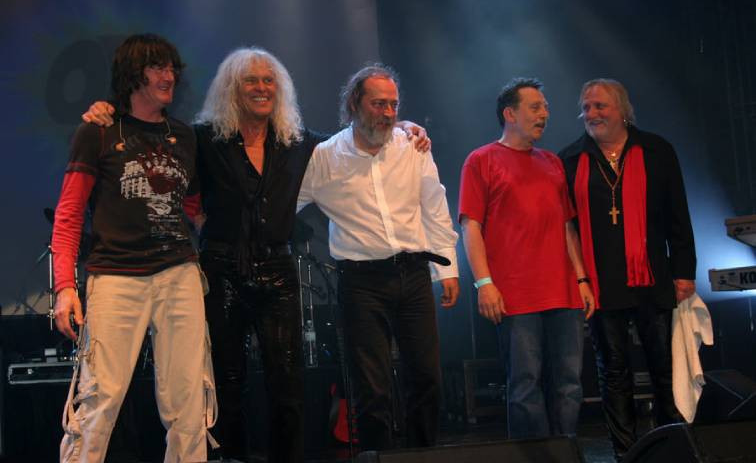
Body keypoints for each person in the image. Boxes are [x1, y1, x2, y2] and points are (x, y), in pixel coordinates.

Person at [82, 48, 430, 462]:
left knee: (288, 383)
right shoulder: (204, 138)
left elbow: (355, 139)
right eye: (251, 80)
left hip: (277, 270)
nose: (262, 88)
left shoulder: (298, 142)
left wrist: (402, 127)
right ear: (233, 88)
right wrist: (106, 111)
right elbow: (158, 141)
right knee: (227, 381)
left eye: (269, 80)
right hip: (222, 268)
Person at [52, 34, 215, 463]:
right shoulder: (98, 131)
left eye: (172, 68)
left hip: (178, 272)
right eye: (157, 67)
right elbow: (68, 215)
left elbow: (193, 206)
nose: (169, 76)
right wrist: (65, 287)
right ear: (132, 75)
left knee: (189, 400)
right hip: (116, 276)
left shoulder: (185, 136)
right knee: (99, 397)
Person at [297, 64, 460, 451]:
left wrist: (448, 268)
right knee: (372, 388)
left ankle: (422, 456)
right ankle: (378, 458)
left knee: (427, 378)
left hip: (414, 274)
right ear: (354, 103)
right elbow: (291, 203)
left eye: (393, 105)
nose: (388, 113)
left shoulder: (412, 147)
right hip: (361, 282)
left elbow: (434, 207)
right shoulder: (327, 157)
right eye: (378, 104)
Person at [559, 78, 696, 460]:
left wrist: (684, 271)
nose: (591, 114)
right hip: (602, 282)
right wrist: (579, 279)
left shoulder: (656, 150)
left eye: (600, 106)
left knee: (664, 367)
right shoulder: (570, 158)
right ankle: (626, 453)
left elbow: (678, 214)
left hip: (652, 275)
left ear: (622, 109)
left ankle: (672, 447)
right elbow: (568, 228)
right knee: (613, 372)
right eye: (586, 108)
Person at [458, 78, 595, 439]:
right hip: (516, 294)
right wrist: (484, 283)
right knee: (524, 383)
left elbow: (567, 226)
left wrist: (581, 279)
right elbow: (471, 226)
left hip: (563, 291)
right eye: (535, 107)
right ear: (510, 114)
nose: (544, 114)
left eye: (545, 107)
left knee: (569, 382)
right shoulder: (481, 160)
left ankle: (566, 451)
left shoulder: (551, 162)